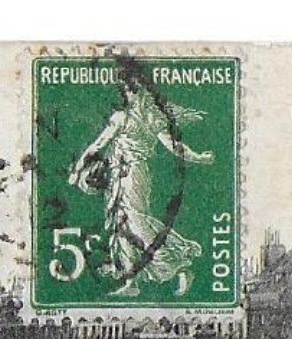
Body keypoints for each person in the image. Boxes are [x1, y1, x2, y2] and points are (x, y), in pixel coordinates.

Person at [67, 76, 214, 297]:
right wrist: (79, 169)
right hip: (119, 175)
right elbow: (99, 145)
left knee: (135, 223)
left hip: (133, 176)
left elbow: (172, 145)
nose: (133, 95)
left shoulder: (144, 116)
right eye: (130, 91)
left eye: (133, 90)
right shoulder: (130, 116)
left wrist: (198, 157)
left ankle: (178, 266)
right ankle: (130, 279)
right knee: (121, 225)